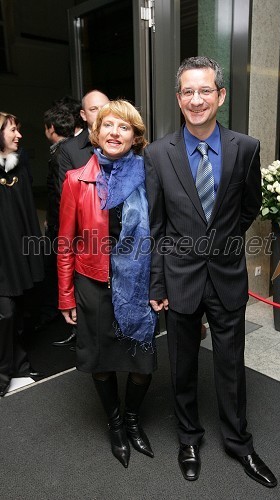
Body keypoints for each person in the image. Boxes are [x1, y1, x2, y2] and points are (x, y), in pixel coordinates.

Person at [144, 56, 277, 487]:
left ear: (220, 95)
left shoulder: (246, 147)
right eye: (188, 92)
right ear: (179, 98)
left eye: (205, 90)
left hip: (226, 277)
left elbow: (250, 207)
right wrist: (158, 281)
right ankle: (188, 439)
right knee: (181, 366)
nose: (196, 99)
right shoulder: (157, 154)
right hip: (179, 278)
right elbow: (157, 226)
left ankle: (239, 443)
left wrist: (218, 241)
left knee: (231, 365)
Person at [57, 99, 157, 468]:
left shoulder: (149, 176)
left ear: (135, 136)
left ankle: (132, 418)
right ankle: (116, 425)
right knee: (101, 361)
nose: (115, 133)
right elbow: (65, 243)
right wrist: (65, 295)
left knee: (142, 364)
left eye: (125, 127)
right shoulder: (75, 180)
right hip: (93, 284)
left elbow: (160, 234)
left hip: (137, 284)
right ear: (97, 134)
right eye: (109, 126)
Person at [52, 89, 109, 347]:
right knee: (95, 347)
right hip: (88, 256)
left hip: (122, 257)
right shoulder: (70, 150)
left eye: (106, 107)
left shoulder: (128, 148)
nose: (101, 113)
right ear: (84, 115)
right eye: (94, 109)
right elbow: (67, 208)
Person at [0, 111, 44, 397]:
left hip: (14, 256)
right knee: (5, 313)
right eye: (12, 130)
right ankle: (5, 373)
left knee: (14, 313)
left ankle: (18, 365)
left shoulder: (16, 169)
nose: (19, 135)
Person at [34, 105, 76, 331]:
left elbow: (62, 195)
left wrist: (57, 224)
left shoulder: (61, 154)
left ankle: (62, 319)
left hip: (65, 228)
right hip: (64, 225)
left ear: (51, 128)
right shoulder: (74, 148)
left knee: (57, 270)